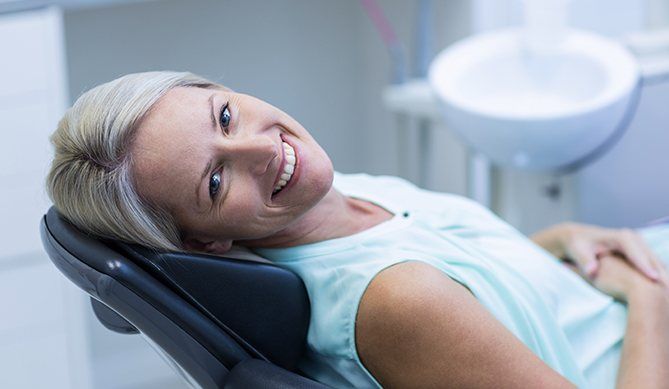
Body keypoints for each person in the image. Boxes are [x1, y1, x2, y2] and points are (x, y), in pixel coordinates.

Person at [47, 71, 669, 388]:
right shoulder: (395, 302)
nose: (261, 150)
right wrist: (648, 297)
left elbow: (474, 290)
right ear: (203, 243)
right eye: (215, 182)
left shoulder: (344, 194)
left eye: (226, 116)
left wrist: (558, 240)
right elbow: (434, 304)